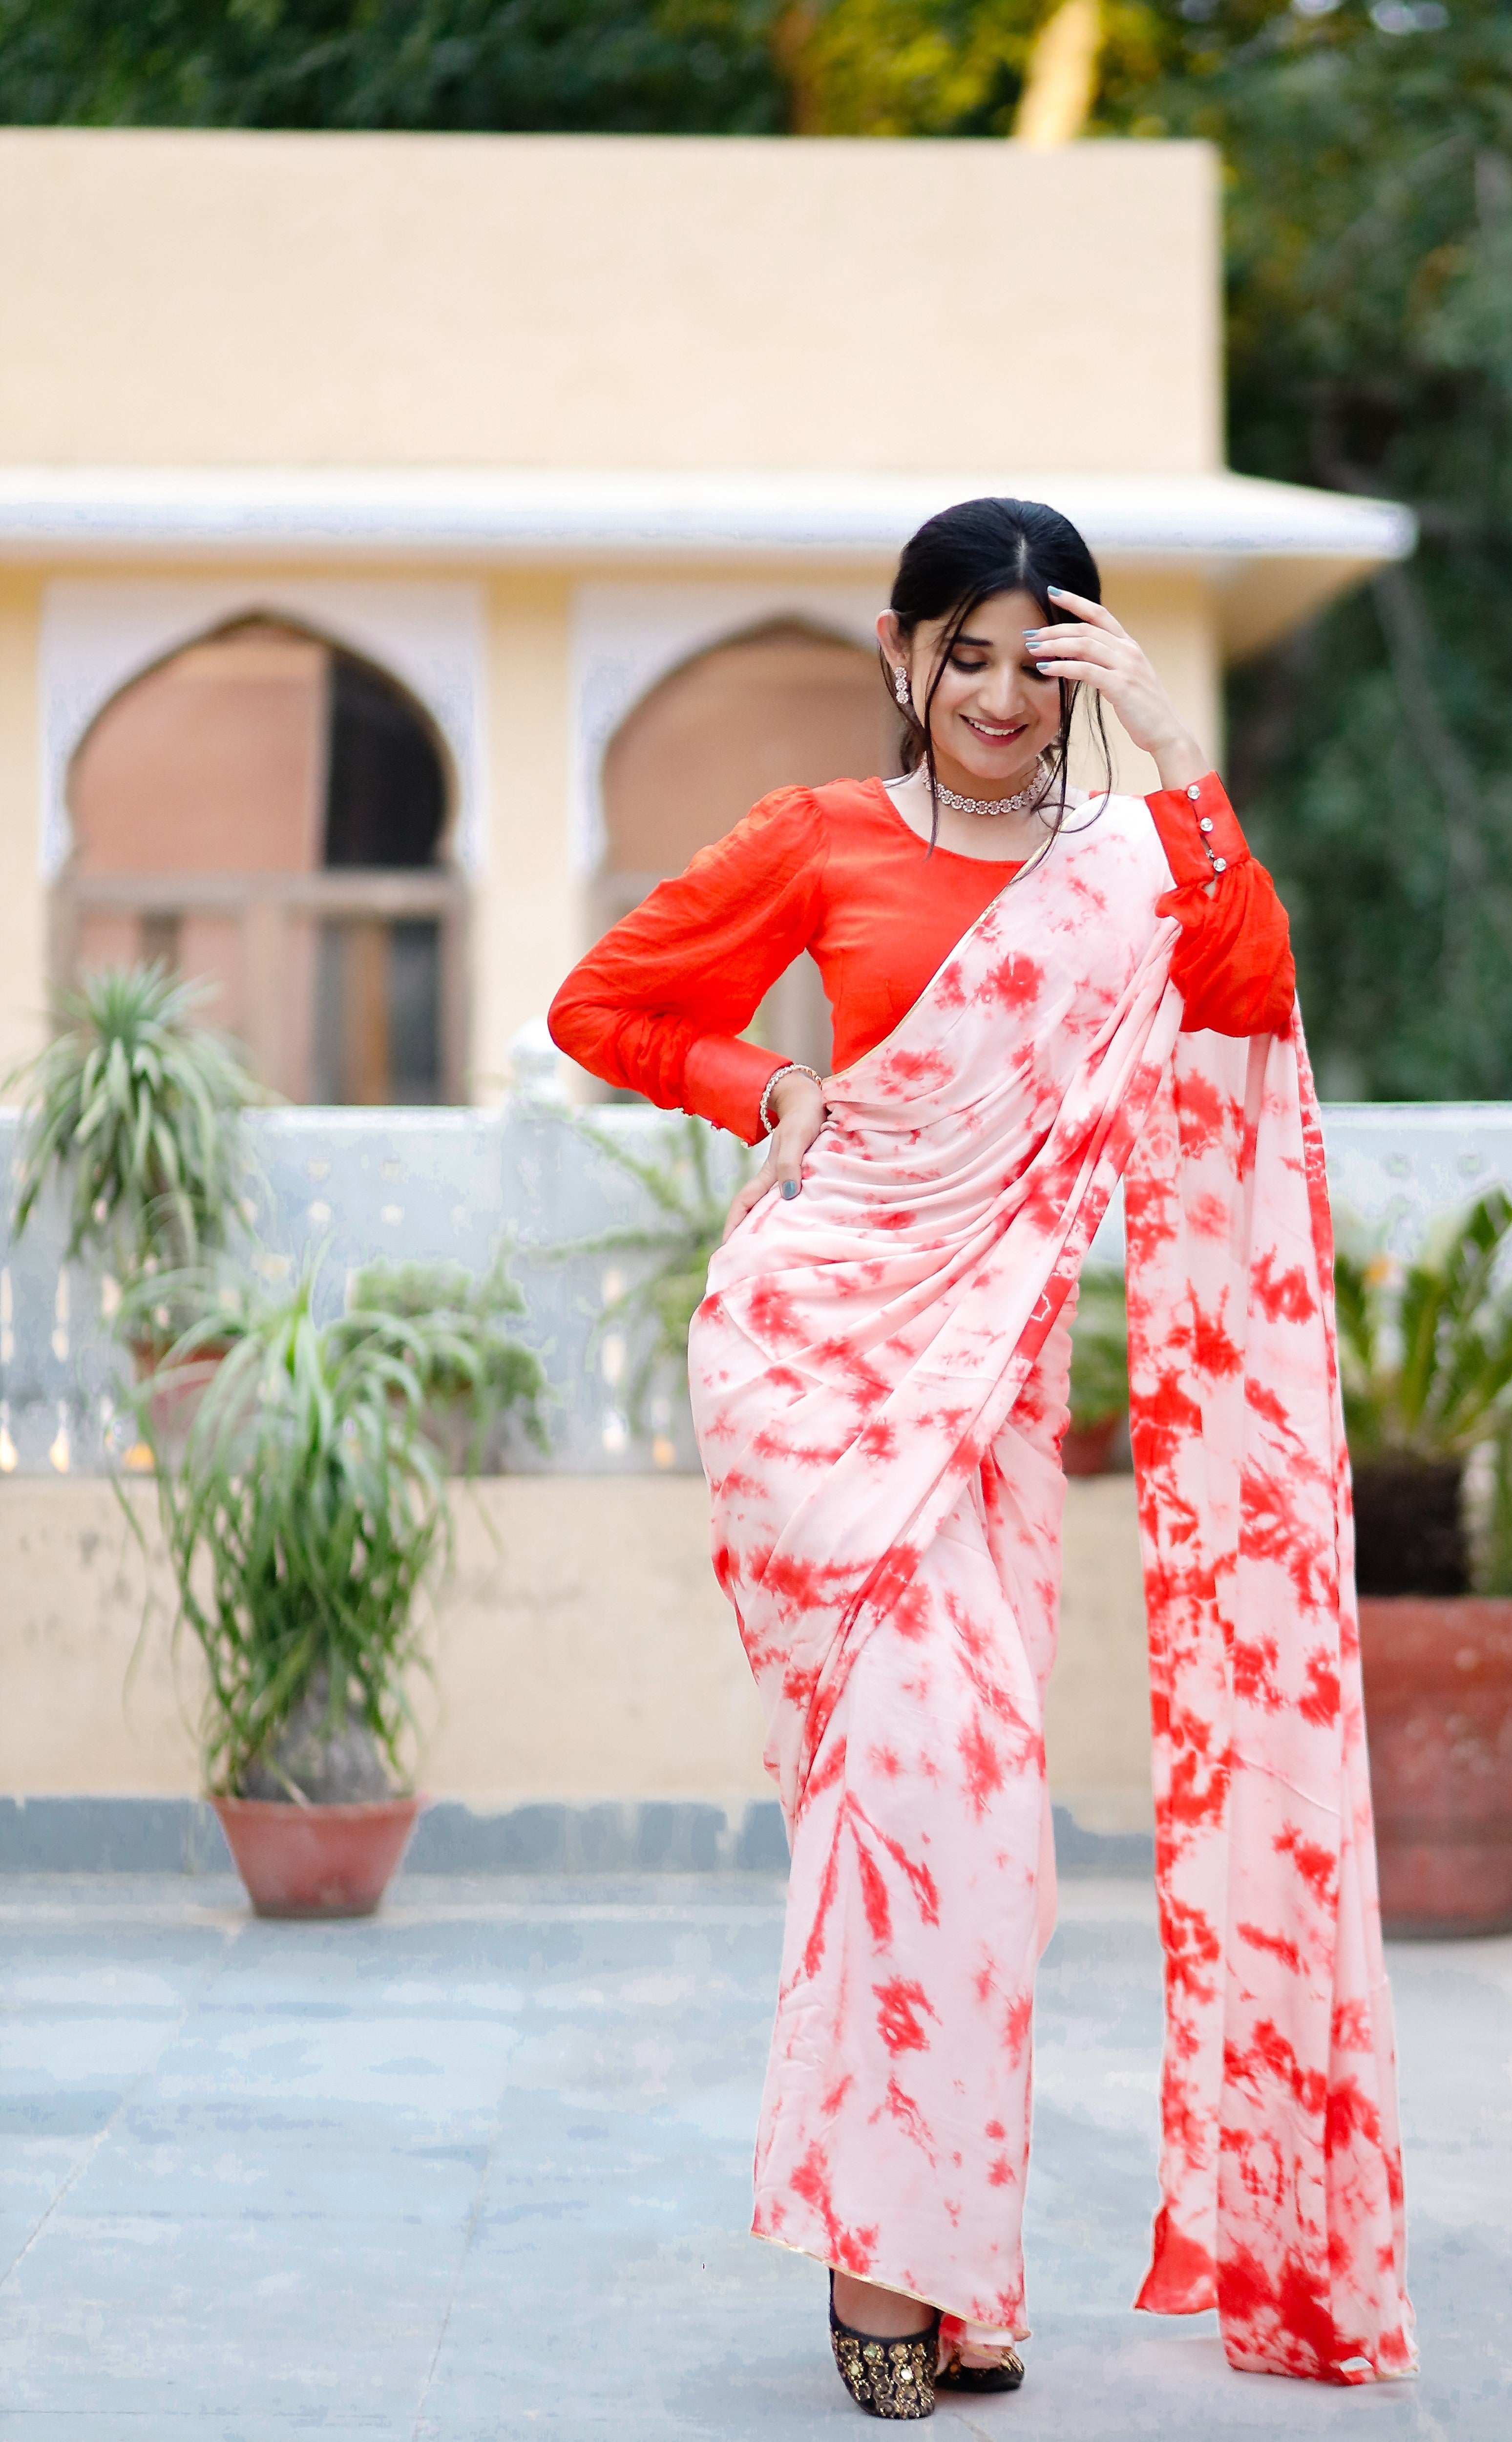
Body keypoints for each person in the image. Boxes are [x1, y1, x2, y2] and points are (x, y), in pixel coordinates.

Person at [549, 497, 1415, 2416]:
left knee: (983, 1831)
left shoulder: (1128, 865)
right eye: (968, 653)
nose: (1002, 696)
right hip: (810, 1365)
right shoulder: (820, 836)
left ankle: (953, 2262)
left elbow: (1253, 995)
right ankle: (888, 2269)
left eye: (1043, 658)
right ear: (902, 651)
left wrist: (1171, 746)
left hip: (987, 1395)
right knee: (918, 1786)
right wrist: (765, 1084)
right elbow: (602, 1005)